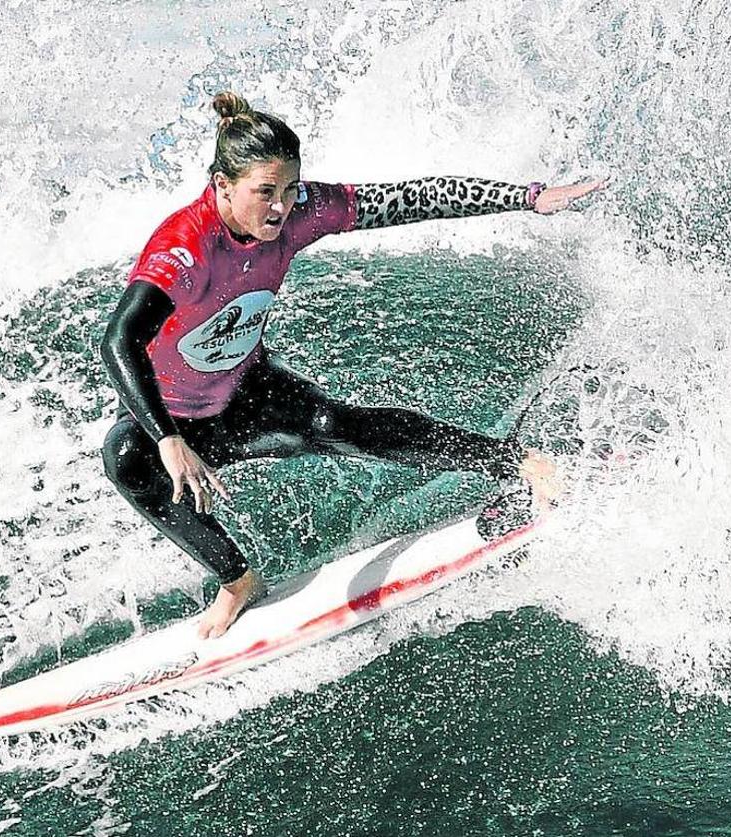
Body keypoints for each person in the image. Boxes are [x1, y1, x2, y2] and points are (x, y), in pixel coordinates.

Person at [101, 91, 606, 639]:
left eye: (291, 190)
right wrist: (169, 440)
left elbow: (414, 198)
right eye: (265, 192)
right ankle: (236, 580)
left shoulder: (297, 217)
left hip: (244, 391)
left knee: (337, 427)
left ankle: (519, 464)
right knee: (127, 455)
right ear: (222, 185)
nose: (281, 207)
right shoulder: (187, 246)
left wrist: (529, 198)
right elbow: (119, 342)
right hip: (175, 417)